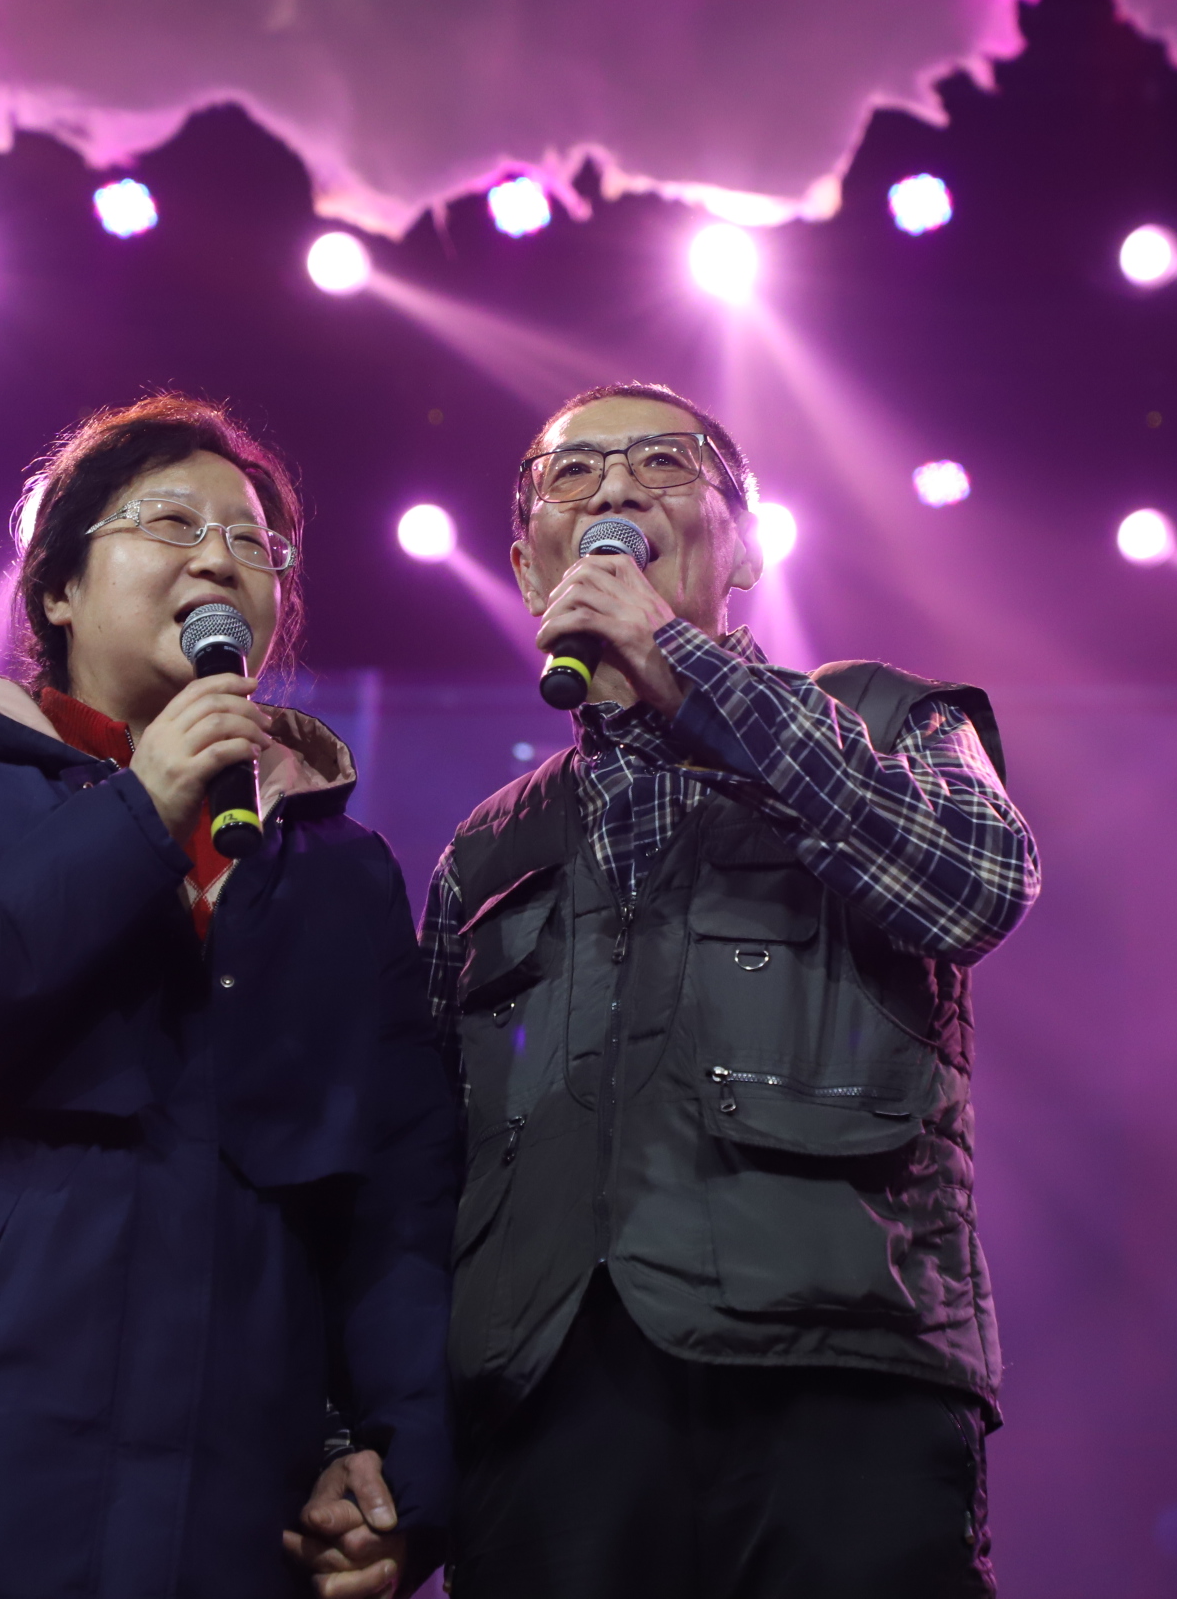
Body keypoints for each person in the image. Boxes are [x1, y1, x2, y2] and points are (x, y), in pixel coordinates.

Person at [0, 395, 459, 1599]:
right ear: (56, 587)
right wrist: (136, 814)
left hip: (223, 1512)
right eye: (171, 523)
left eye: (253, 542)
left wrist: (401, 1470)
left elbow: (401, 1189)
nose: (219, 559)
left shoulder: (340, 869)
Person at [296, 381, 1039, 1598]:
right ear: (529, 570)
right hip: (550, 1414)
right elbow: (420, 1169)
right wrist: (376, 1439)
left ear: (746, 547)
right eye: (572, 475)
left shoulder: (887, 718)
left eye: (663, 463)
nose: (616, 489)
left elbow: (977, 886)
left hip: (839, 1381)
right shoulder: (485, 850)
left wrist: (680, 666)